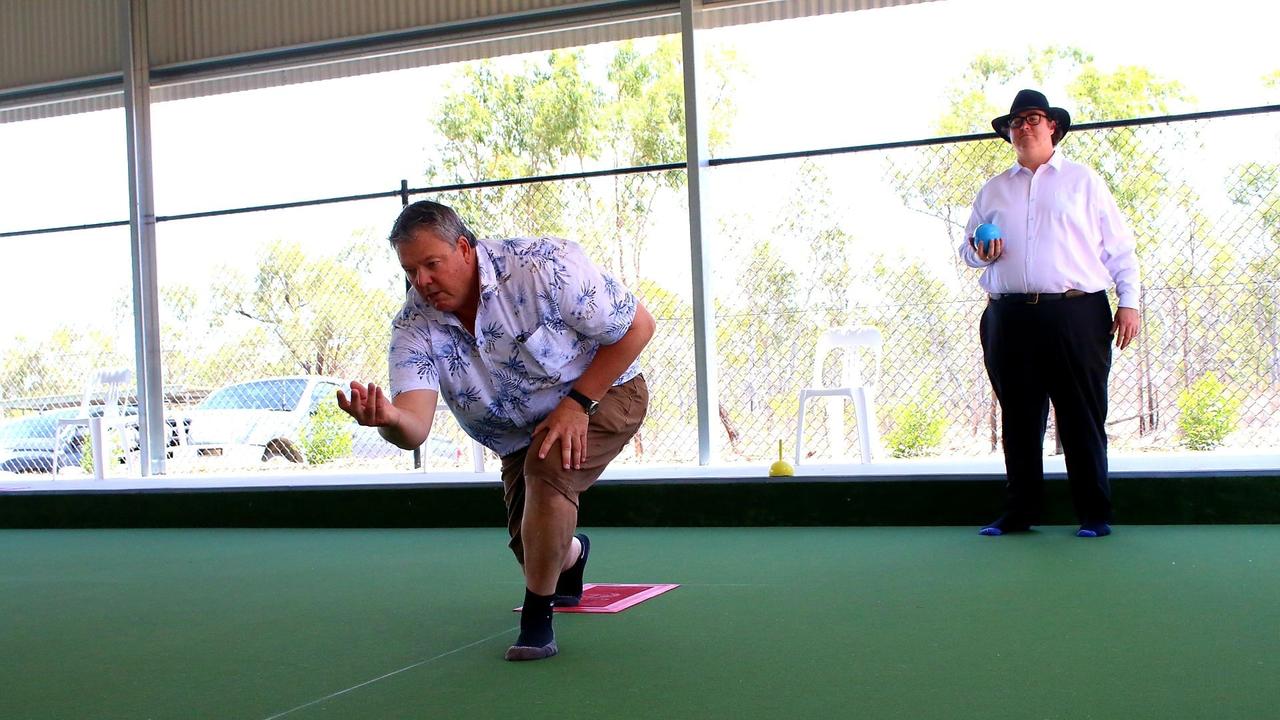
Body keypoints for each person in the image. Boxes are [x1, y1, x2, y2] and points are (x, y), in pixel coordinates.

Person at [337, 200, 655, 661]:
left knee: (547, 469)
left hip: (607, 391)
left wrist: (577, 404)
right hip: (520, 434)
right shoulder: (413, 326)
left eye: (432, 264)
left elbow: (638, 327)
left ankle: (536, 621)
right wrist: (386, 421)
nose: (421, 282)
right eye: (410, 270)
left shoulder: (543, 266)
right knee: (535, 551)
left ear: (464, 248)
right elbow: (415, 427)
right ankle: (571, 556)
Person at [959, 89, 1141, 539]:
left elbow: (1119, 247)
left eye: (1034, 118)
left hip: (1077, 314)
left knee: (1082, 414)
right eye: (1016, 121)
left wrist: (1129, 302)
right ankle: (1020, 513)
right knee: (1019, 419)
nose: (1025, 127)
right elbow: (968, 250)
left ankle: (1094, 514)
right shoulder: (994, 189)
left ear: (1053, 126)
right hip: (1009, 317)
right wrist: (981, 252)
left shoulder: (1084, 181)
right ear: (1009, 132)